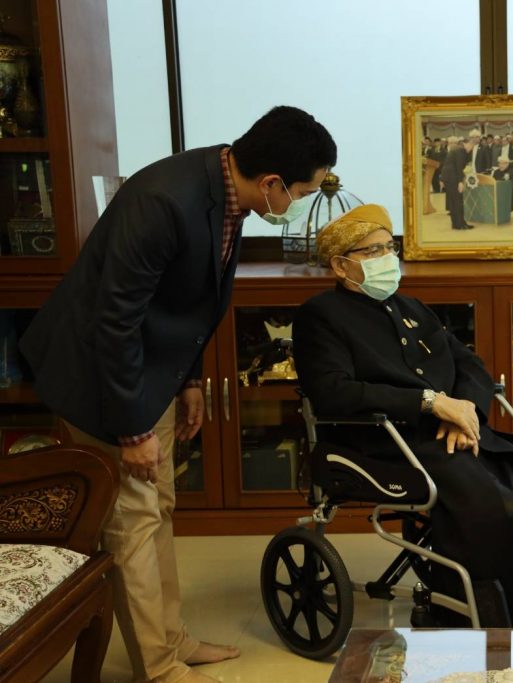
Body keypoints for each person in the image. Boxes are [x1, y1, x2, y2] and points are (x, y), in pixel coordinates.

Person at [19, 105, 336, 683]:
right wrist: (133, 430)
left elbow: (191, 302)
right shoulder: (163, 201)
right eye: (303, 192)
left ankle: (172, 638)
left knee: (158, 505)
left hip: (152, 370)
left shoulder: (229, 191)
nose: (301, 203)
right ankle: (159, 668)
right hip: (100, 376)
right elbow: (114, 322)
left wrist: (190, 381)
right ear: (271, 182)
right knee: (133, 519)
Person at [294, 204, 513, 628]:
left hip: (453, 436)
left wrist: (464, 410)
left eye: (389, 248)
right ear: (340, 265)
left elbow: (471, 366)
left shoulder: (411, 307)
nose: (387, 258)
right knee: (507, 513)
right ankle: (496, 621)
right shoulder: (320, 316)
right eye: (372, 251)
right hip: (387, 444)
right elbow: (334, 393)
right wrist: (429, 402)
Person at [440, 136, 473, 230]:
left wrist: (442, 179)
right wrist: (460, 182)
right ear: (465, 144)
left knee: (453, 202)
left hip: (448, 178)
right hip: (453, 178)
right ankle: (460, 224)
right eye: (471, 146)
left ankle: (455, 224)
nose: (471, 148)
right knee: (458, 202)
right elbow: (459, 167)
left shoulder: (456, 150)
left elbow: (446, 164)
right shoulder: (461, 151)